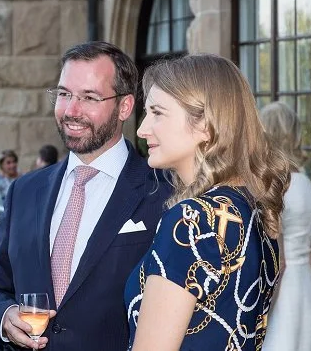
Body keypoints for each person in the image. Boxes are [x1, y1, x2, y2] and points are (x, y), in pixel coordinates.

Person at [0, 41, 172, 351]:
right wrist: (4, 317)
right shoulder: (24, 192)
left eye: (89, 97)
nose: (71, 110)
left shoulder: (164, 192)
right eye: (64, 94)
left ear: (124, 106)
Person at [124, 54, 291, 350]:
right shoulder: (260, 209)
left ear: (205, 124)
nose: (142, 129)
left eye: (157, 113)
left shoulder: (191, 220)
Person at [260, 101, 311, 351]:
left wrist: (263, 310)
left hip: (284, 291)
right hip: (305, 286)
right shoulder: (305, 183)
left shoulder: (277, 187)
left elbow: (280, 260)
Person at [0, 149, 21, 237]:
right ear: (2, 165)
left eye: (14, 162)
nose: (12, 165)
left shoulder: (21, 178)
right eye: (8, 163)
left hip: (17, 214)